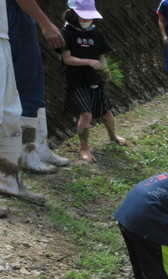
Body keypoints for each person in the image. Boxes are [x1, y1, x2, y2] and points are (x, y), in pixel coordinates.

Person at [58, 0, 126, 163]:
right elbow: (66, 59)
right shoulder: (66, 32)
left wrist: (105, 71)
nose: (87, 20)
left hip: (95, 79)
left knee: (107, 112)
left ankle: (113, 135)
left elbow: (102, 56)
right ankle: (84, 149)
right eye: (83, 17)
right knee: (86, 115)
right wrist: (88, 61)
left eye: (89, 17)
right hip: (75, 81)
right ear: (73, 14)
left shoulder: (97, 33)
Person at [8, 0, 69, 174]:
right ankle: (28, 154)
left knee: (36, 85)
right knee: (28, 88)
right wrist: (46, 23)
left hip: (20, 18)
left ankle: (41, 148)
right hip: (15, 18)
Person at [0, 0, 44, 203]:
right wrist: (47, 24)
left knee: (9, 113)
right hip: (6, 32)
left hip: (4, 35)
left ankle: (8, 182)